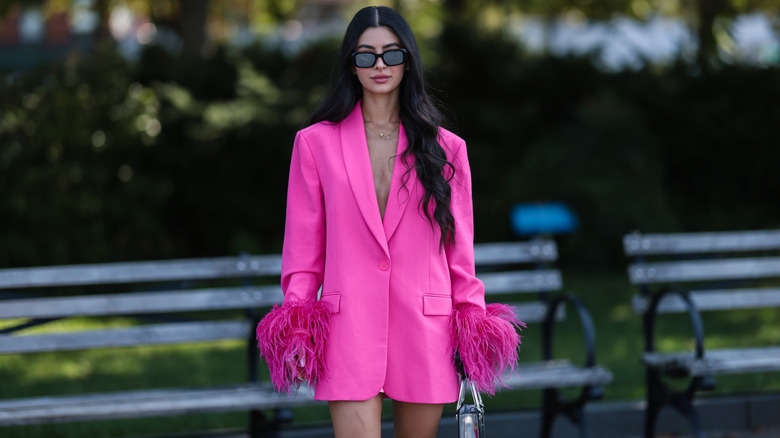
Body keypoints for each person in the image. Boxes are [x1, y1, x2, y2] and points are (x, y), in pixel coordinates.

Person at [256, 6, 524, 438]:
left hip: (426, 329)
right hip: (348, 330)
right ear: (351, 63)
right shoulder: (314, 144)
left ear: (408, 59)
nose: (379, 65)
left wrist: (472, 320)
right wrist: (297, 316)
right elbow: (303, 248)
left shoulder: (447, 148)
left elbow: (461, 251)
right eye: (366, 56)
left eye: (391, 54)